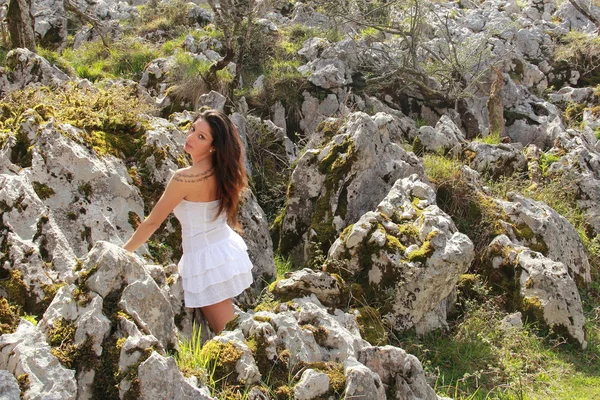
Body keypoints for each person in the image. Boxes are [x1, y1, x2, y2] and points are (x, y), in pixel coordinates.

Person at [123, 109, 254, 334]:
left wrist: (122, 254)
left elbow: (153, 223)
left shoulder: (184, 178)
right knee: (225, 329)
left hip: (206, 259)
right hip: (220, 249)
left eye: (201, 136)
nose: (191, 137)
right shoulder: (222, 171)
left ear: (213, 146)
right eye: (193, 129)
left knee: (226, 334)